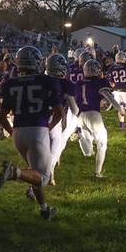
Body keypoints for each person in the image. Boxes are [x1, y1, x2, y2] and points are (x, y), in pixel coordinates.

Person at [0, 46, 63, 220]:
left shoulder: (10, 83)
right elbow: (59, 112)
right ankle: (14, 173)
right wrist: (48, 127)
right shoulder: (47, 81)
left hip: (18, 132)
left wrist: (12, 132)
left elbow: (1, 116)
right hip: (37, 130)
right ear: (37, 62)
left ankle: (45, 210)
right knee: (44, 177)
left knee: (34, 173)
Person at [77, 59, 124, 178]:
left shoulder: (79, 83)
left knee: (88, 152)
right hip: (93, 115)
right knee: (102, 143)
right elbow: (107, 95)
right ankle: (98, 173)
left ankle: (80, 135)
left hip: (81, 115)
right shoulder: (100, 82)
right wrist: (119, 108)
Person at [46, 53, 79, 186]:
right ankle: (49, 172)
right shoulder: (66, 83)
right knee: (55, 147)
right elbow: (74, 109)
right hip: (56, 118)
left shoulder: (41, 79)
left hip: (37, 117)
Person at [107, 51, 126, 129]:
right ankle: (125, 111)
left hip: (116, 91)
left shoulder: (111, 68)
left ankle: (122, 125)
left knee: (120, 108)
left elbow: (111, 83)